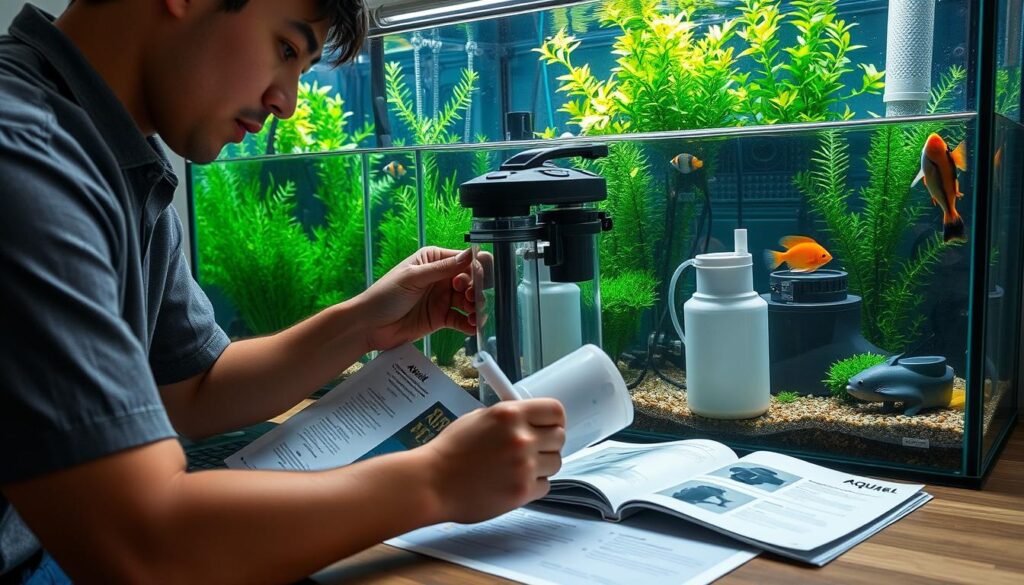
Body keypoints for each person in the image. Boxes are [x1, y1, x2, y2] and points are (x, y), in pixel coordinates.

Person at [0, 1, 566, 583]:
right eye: (287, 49)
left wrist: (365, 323)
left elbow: (192, 389)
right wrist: (436, 482)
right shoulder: (26, 157)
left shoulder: (113, 160)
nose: (287, 102)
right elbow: (143, 544)